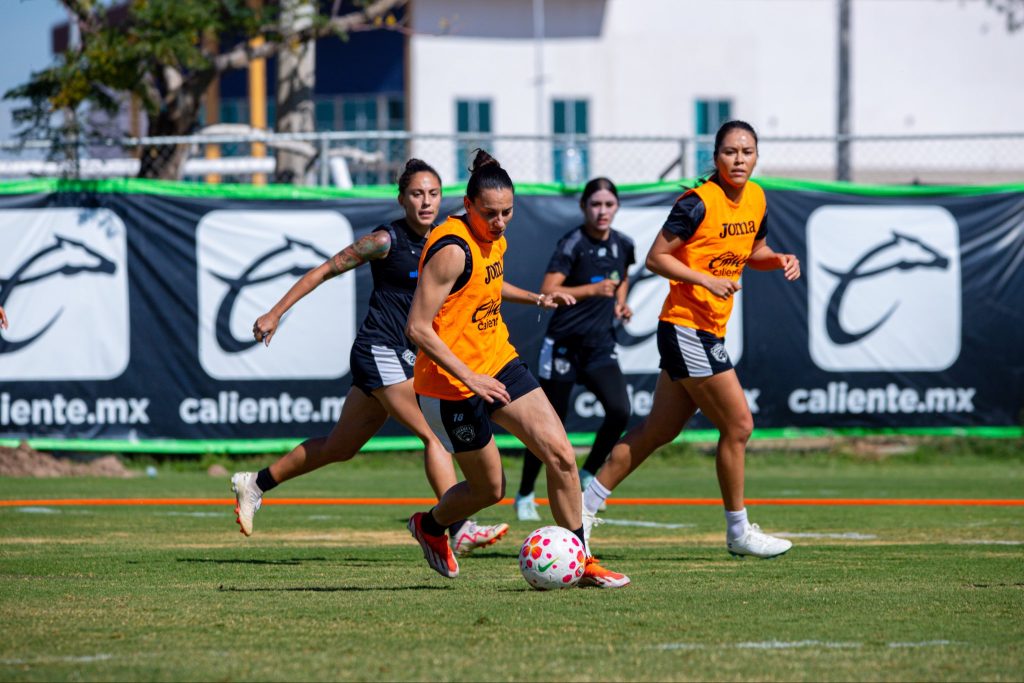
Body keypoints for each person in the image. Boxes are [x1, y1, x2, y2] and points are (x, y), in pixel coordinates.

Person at [232, 159, 509, 557]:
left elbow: (487, 283)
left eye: (433, 193)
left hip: (403, 356)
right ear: (401, 199)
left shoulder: (449, 239)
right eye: (416, 194)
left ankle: (255, 483)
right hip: (378, 350)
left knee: (339, 448)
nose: (426, 202)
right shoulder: (385, 241)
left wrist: (535, 298)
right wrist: (276, 312)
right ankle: (459, 526)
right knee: (433, 436)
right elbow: (325, 270)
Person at [404, 149, 629, 587]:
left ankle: (582, 562)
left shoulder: (494, 237)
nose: (501, 221)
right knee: (491, 490)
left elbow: (485, 282)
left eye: (508, 212)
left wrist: (535, 297)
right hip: (451, 386)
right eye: (491, 213)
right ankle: (431, 526)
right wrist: (469, 377)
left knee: (561, 455)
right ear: (468, 206)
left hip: (499, 362)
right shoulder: (450, 249)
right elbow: (417, 328)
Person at [581, 121, 801, 559]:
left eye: (747, 151)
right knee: (739, 425)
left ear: (757, 156)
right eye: (730, 152)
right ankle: (738, 531)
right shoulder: (697, 203)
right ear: (716, 157)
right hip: (686, 327)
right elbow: (656, 258)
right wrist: (704, 279)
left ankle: (582, 508)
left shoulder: (756, 198)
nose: (739, 160)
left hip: (703, 330)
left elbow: (752, 252)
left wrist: (777, 258)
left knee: (657, 431)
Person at [513, 177, 635, 522]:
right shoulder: (573, 243)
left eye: (609, 205)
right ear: (583, 207)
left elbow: (621, 276)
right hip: (564, 347)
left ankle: (587, 475)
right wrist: (591, 292)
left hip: (599, 348)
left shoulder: (623, 244)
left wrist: (620, 304)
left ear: (617, 208)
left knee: (620, 411)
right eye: (595, 204)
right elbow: (548, 289)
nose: (602, 211)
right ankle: (524, 494)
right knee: (548, 426)